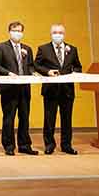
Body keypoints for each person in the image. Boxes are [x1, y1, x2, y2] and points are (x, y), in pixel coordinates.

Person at [34, 23, 83, 155]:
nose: (58, 35)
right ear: (51, 34)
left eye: (60, 33)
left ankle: (66, 145)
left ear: (64, 34)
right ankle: (49, 144)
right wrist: (47, 72)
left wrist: (75, 72)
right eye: (55, 32)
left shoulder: (72, 49)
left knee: (67, 119)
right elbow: (36, 65)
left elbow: (78, 66)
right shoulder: (43, 49)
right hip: (50, 90)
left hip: (67, 90)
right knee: (49, 119)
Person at [0, 21, 39, 156]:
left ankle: (24, 145)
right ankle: (9, 145)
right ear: (9, 32)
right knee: (9, 118)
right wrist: (8, 73)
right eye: (14, 30)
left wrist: (33, 72)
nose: (17, 33)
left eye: (19, 31)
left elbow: (30, 65)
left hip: (24, 88)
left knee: (24, 117)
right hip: (8, 88)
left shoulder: (27, 48)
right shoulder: (1, 47)